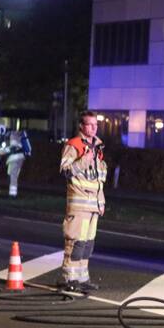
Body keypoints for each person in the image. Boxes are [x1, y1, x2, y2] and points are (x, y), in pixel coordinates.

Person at [59, 110, 107, 293]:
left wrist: (101, 201)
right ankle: (68, 278)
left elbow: (99, 180)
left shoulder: (98, 147)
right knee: (75, 242)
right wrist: (83, 160)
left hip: (93, 204)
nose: (94, 128)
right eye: (90, 124)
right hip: (79, 203)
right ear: (81, 126)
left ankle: (81, 278)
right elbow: (65, 171)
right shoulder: (74, 145)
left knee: (87, 243)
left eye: (96, 124)